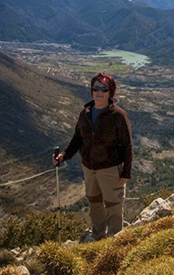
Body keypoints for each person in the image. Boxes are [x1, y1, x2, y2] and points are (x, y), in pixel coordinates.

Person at [53, 71, 133, 240]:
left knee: (114, 205)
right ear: (91, 90)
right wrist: (63, 156)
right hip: (89, 169)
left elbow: (127, 145)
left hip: (110, 169)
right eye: (96, 88)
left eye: (104, 89)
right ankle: (97, 236)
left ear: (111, 92)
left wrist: (126, 172)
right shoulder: (85, 114)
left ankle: (114, 241)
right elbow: (77, 139)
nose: (99, 92)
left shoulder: (118, 115)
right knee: (94, 203)